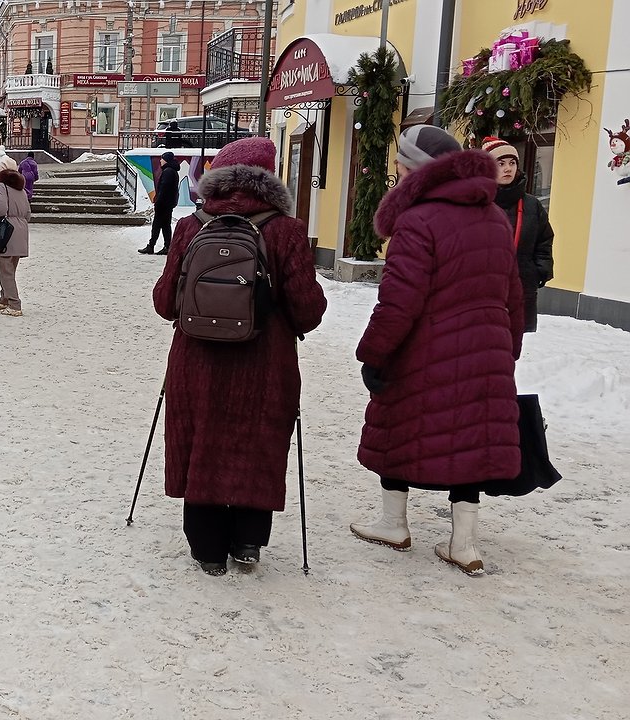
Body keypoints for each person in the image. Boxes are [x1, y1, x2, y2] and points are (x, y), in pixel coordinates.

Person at [349, 126, 525, 577]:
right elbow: (513, 292)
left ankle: (393, 524)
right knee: (471, 437)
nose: (395, 171)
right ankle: (463, 545)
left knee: (397, 424)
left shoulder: (417, 219)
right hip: (486, 348)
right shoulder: (492, 217)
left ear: (416, 170)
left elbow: (399, 299)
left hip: (426, 348)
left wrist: (374, 353)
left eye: (400, 163)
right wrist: (509, 348)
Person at [151, 137, 327, 576]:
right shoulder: (286, 229)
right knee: (258, 442)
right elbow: (308, 311)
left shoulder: (194, 226)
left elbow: (164, 302)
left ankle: (208, 548)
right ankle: (247, 541)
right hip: (265, 364)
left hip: (197, 362)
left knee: (202, 442)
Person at [483, 137, 555, 333]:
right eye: (500, 163)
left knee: (513, 343)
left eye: (512, 163)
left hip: (521, 284)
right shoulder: (477, 202)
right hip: (482, 287)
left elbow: (544, 239)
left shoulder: (532, 205)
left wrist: (540, 269)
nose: (508, 168)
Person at [0, 164, 30, 316]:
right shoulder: (20, 189)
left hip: (6, 232)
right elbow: (28, 213)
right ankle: (4, 299)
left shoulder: (1, 186)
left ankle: (15, 304)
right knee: (10, 270)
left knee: (6, 271)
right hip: (20, 231)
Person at [140, 151, 180, 255]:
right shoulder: (172, 171)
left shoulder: (168, 172)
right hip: (168, 203)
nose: (160, 161)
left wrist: (158, 201)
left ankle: (151, 246)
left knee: (157, 225)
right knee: (165, 225)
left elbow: (164, 189)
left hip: (163, 204)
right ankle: (167, 246)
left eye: (162, 159)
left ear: (166, 160)